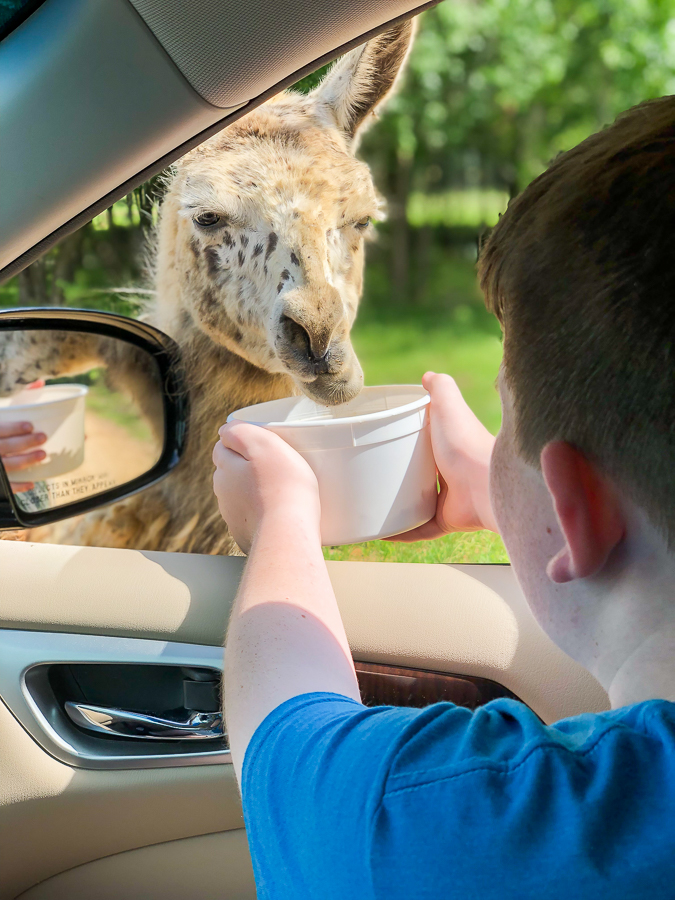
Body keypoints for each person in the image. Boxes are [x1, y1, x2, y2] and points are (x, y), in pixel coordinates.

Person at [212, 95, 675, 898]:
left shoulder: (476, 833)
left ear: (578, 509)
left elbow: (281, 736)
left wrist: (282, 516)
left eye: (508, 418)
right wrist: (514, 496)